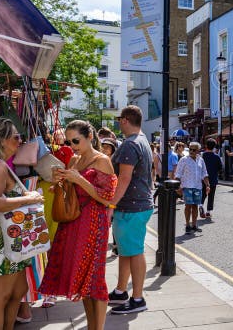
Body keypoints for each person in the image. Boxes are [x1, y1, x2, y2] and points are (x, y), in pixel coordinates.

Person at [40, 121, 117, 330]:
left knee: (95, 279)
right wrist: (60, 181)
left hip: (94, 225)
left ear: (90, 136)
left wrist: (79, 180)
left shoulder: (102, 161)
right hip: (73, 223)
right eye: (69, 141)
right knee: (83, 280)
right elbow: (71, 192)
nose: (72, 145)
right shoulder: (74, 159)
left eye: (76, 140)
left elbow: (107, 198)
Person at [0, 118, 45, 330]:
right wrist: (29, 199)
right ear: (2, 140)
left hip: (9, 238)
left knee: (17, 291)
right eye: (16, 137)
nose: (20, 141)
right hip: (3, 239)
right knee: (0, 297)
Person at [107, 106, 154, 315]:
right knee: (126, 250)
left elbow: (124, 178)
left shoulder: (129, 145)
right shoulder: (142, 141)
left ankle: (137, 298)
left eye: (119, 120)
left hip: (131, 206)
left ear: (125, 120)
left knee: (134, 251)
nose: (118, 123)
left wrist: (111, 205)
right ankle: (120, 291)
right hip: (138, 204)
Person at [175, 142, 209, 233]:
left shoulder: (201, 160)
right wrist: (178, 187)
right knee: (188, 206)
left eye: (194, 150)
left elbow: (204, 174)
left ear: (198, 151)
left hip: (198, 186)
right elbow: (178, 174)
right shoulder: (183, 160)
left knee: (195, 206)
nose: (191, 151)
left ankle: (194, 225)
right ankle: (187, 225)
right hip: (187, 186)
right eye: (190, 149)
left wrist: (207, 185)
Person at [201, 139, 222, 219]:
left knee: (203, 193)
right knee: (211, 195)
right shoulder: (216, 156)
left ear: (206, 145)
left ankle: (201, 205)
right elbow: (220, 168)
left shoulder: (202, 155)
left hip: (203, 178)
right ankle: (208, 212)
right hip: (213, 178)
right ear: (214, 146)